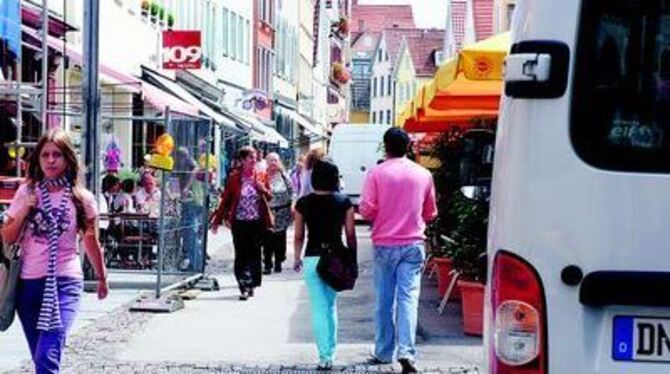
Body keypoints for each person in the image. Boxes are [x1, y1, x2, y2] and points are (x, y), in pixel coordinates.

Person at [1, 129, 108, 373]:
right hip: (28, 286)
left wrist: (102, 277)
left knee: (47, 356)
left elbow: (91, 241)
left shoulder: (82, 199)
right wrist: (26, 211)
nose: (50, 160)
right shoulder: (26, 193)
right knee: (40, 357)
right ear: (37, 159)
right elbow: (7, 236)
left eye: (57, 155)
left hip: (64, 284)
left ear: (68, 159)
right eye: (45, 155)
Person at [359, 128, 437, 374]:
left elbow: (367, 210)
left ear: (385, 147)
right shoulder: (423, 174)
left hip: (385, 243)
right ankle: (406, 352)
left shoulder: (376, 173)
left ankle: (384, 352)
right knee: (408, 299)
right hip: (413, 244)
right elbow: (431, 213)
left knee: (384, 300)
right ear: (409, 148)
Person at [293, 160, 357, 370]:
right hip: (336, 259)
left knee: (319, 308)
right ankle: (331, 352)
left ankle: (324, 357)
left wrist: (296, 258)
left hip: (312, 259)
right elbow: (350, 235)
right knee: (331, 307)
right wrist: (352, 259)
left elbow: (299, 236)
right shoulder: (344, 202)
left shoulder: (303, 203)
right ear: (335, 178)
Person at [210, 146, 273, 300]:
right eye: (250, 157)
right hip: (239, 222)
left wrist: (263, 189)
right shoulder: (234, 178)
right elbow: (226, 201)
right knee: (241, 254)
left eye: (255, 157)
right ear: (243, 160)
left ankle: (252, 283)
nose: (254, 160)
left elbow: (270, 197)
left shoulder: (262, 176)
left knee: (255, 253)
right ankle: (244, 285)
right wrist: (216, 221)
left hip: (257, 221)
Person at [262, 152, 293, 274]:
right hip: (268, 211)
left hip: (282, 211)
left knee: (280, 238)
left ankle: (279, 261)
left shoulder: (284, 176)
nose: (273, 163)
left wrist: (292, 206)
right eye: (271, 160)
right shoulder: (263, 176)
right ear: (267, 162)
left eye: (275, 160)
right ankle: (267, 264)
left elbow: (292, 191)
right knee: (267, 238)